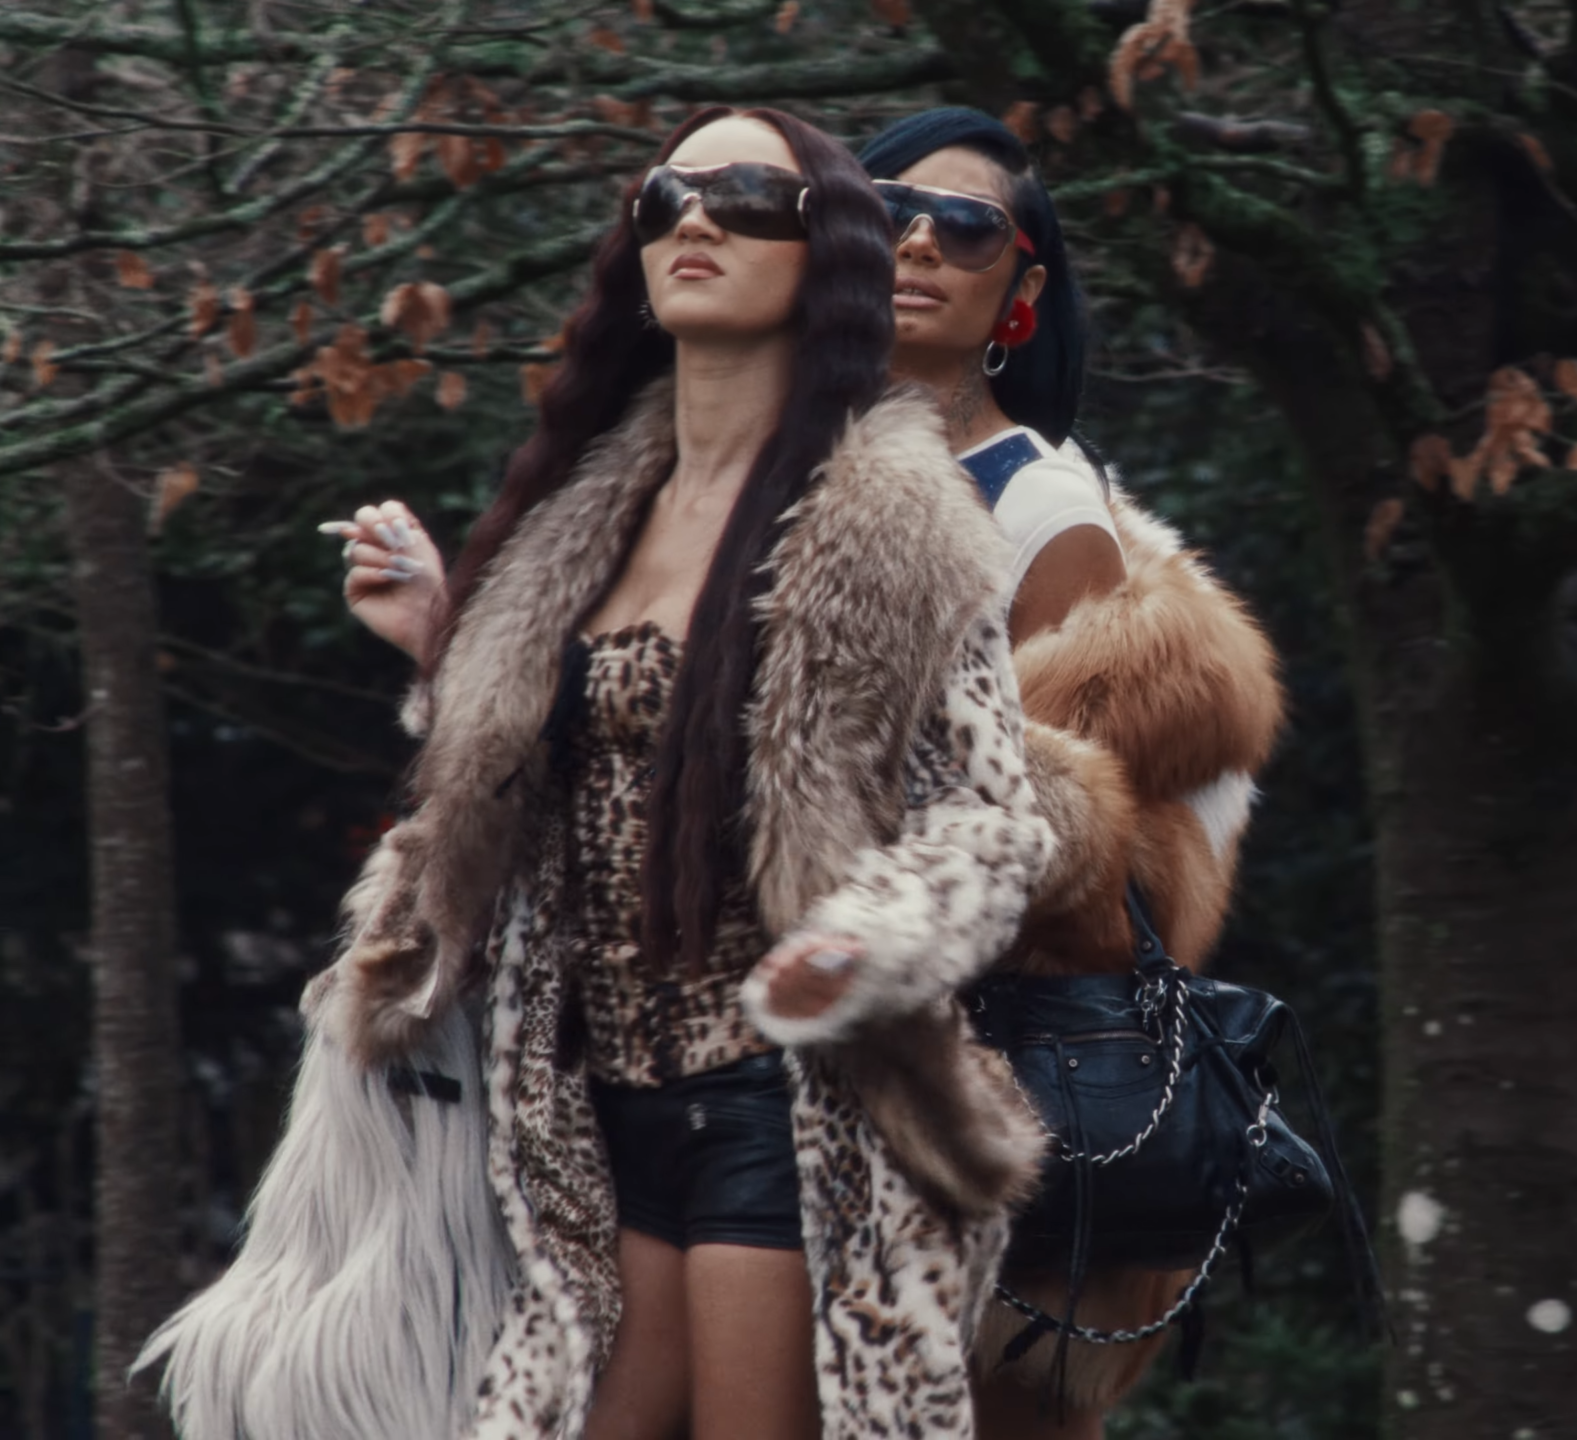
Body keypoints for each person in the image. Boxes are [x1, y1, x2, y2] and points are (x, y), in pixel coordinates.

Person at [147, 106, 1055, 1440]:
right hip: (580, 1117)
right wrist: (443, 644)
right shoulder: (582, 511)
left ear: (830, 251)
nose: (698, 220)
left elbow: (995, 822)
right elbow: (541, 789)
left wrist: (863, 943)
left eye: (748, 198)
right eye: (668, 197)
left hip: (790, 1106)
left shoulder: (895, 520)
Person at [850, 108, 1286, 1438]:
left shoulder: (1038, 506)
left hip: (966, 1075)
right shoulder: (777, 470)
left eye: (966, 226)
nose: (919, 243)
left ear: (1019, 292)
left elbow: (1056, 841)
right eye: (888, 211)